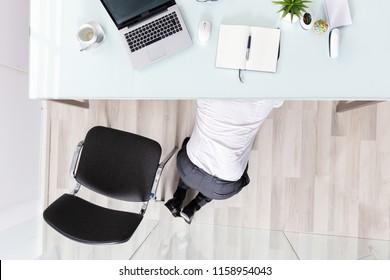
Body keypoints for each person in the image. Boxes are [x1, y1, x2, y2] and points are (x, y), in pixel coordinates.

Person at [165, 99, 283, 224]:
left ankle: (178, 198)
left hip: (190, 169)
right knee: (229, 175)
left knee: (191, 151)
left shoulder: (209, 92)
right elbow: (278, 101)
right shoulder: (265, 100)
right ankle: (194, 206)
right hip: (218, 186)